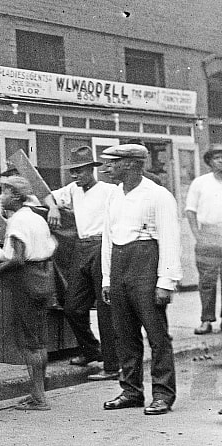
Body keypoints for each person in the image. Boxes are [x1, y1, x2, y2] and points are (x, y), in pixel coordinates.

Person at [100, 144, 182, 416]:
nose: (107, 168)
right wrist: (107, 278)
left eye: (112, 163)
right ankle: (131, 391)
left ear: (131, 164)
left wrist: (166, 281)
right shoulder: (114, 195)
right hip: (121, 265)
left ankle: (162, 394)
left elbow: (170, 238)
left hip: (146, 265)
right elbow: (108, 239)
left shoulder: (158, 195)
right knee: (124, 334)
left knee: (157, 336)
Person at [47, 147, 119, 381]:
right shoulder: (72, 190)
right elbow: (45, 194)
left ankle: (111, 365)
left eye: (79, 171)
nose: (75, 176)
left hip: (102, 245)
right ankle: (91, 350)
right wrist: (53, 206)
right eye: (72, 172)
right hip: (82, 246)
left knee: (105, 310)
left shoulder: (110, 190)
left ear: (91, 170)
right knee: (73, 306)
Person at [0, 176, 57, 411]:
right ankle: (37, 393)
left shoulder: (18, 221)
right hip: (43, 278)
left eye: (4, 192)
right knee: (39, 341)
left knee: (29, 343)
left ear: (16, 196)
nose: (1, 197)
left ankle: (39, 398)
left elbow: (17, 259)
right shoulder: (36, 217)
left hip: (26, 281)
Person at [186, 144, 222, 335]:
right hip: (207, 235)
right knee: (207, 281)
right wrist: (197, 235)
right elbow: (190, 211)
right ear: (209, 161)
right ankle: (206, 320)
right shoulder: (200, 183)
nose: (221, 161)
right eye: (217, 157)